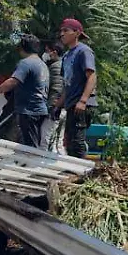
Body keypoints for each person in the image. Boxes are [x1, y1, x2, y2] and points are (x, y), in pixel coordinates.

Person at [0, 35, 50, 150]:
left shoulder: (25, 63)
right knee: (32, 142)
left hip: (29, 110)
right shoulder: (42, 64)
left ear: (22, 47)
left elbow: (12, 82)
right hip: (40, 109)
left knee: (29, 146)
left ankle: (30, 166)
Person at [56, 18, 96, 158]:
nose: (62, 34)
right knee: (70, 143)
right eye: (61, 31)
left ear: (77, 33)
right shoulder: (67, 56)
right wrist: (58, 106)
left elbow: (92, 76)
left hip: (81, 104)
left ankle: (82, 175)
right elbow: (68, 85)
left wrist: (83, 100)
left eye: (66, 30)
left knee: (77, 142)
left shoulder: (83, 51)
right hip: (71, 104)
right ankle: (73, 174)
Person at [41, 40, 65, 150]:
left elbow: (57, 88)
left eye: (47, 51)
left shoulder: (56, 67)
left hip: (55, 108)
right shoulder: (63, 64)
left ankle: (39, 164)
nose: (45, 54)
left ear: (54, 52)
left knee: (45, 138)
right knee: (57, 141)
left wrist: (52, 108)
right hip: (62, 108)